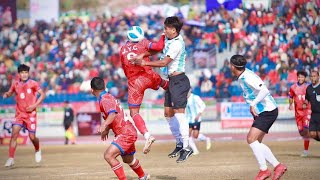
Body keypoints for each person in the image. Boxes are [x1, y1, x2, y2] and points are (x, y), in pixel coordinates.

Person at [133, 16, 192, 163]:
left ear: (173, 29)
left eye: (166, 28)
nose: (164, 30)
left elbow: (165, 61)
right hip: (171, 81)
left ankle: (187, 147)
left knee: (179, 114)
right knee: (168, 113)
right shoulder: (168, 39)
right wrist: (143, 54)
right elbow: (157, 50)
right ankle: (179, 144)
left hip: (179, 80)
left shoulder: (178, 44)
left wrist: (144, 63)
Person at [229, 55, 287, 180]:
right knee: (256, 142)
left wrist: (253, 104)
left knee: (251, 139)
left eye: (230, 65)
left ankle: (265, 169)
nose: (230, 67)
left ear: (233, 66)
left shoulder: (247, 77)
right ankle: (276, 167)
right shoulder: (243, 75)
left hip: (268, 110)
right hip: (264, 111)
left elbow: (265, 90)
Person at [120, 26, 168, 154]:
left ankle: (147, 135)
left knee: (134, 113)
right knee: (164, 83)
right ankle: (182, 93)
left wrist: (131, 78)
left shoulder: (123, 49)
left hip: (135, 82)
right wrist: (163, 35)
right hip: (148, 75)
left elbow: (124, 68)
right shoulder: (144, 43)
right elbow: (159, 47)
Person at [90, 77, 150, 180]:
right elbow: (113, 115)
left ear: (92, 90)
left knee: (108, 156)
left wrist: (104, 125)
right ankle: (143, 176)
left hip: (125, 133)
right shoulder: (107, 97)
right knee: (128, 159)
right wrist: (107, 129)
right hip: (128, 131)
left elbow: (112, 114)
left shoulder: (104, 99)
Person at [3, 64, 46, 167]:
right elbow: (10, 92)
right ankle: (11, 158)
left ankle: (37, 149)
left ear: (28, 73)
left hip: (31, 114)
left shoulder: (33, 84)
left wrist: (34, 105)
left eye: (26, 72)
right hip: (19, 114)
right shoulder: (15, 84)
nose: (24, 74)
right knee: (14, 134)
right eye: (22, 73)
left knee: (32, 137)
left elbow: (43, 94)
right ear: (19, 74)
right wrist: (7, 94)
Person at [288, 71, 311, 157]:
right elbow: (290, 97)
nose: (300, 78)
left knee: (306, 129)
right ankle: (306, 147)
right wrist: (290, 104)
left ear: (305, 78)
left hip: (307, 111)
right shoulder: (293, 87)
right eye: (299, 77)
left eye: (302, 77)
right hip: (298, 113)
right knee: (302, 132)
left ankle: (305, 150)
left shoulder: (308, 87)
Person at [186, 89, 211, 155]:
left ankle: (206, 139)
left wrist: (199, 114)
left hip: (196, 119)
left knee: (195, 136)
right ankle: (195, 150)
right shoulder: (184, 99)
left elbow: (203, 105)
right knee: (187, 135)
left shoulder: (195, 97)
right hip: (188, 119)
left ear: (190, 90)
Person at [304, 70, 320, 142]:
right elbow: (307, 98)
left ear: (318, 77)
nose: (313, 78)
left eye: (314, 76)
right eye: (311, 76)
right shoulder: (309, 88)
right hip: (314, 114)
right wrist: (305, 103)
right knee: (312, 134)